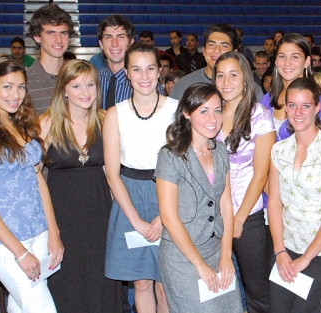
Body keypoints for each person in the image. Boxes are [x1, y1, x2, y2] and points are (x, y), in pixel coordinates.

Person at [0, 56, 64, 312]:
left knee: (21, 305)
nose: (16, 94)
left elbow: (38, 181)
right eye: (7, 86)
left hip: (39, 234)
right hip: (5, 243)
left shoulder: (21, 125)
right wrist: (19, 252)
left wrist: (54, 232)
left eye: (21, 86)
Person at [39, 59, 122, 313]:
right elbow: (35, 177)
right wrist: (51, 230)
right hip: (62, 217)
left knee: (103, 280)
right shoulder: (46, 123)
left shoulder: (106, 119)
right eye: (76, 86)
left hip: (100, 214)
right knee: (68, 284)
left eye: (90, 85)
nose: (85, 92)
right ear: (63, 89)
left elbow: (113, 174)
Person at [103, 44, 178, 313]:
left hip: (168, 195)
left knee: (165, 286)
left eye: (150, 68)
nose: (144, 76)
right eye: (136, 69)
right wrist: (135, 220)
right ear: (126, 74)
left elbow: (185, 167)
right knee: (142, 283)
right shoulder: (115, 114)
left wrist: (164, 217)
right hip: (129, 198)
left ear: (159, 72)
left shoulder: (177, 111)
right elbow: (112, 174)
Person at [156, 83, 242, 312]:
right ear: (187, 113)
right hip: (183, 258)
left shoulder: (220, 151)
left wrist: (226, 255)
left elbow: (225, 205)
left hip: (217, 251)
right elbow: (169, 218)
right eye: (203, 111)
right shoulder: (170, 155)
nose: (212, 118)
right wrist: (200, 265)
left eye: (217, 110)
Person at [268, 77, 321, 312]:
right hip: (287, 247)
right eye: (292, 105)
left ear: (317, 107)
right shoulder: (279, 149)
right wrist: (280, 251)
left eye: (305, 105)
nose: (298, 112)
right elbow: (274, 203)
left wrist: (305, 259)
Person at [213, 51, 276, 312]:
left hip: (247, 215)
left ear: (246, 78)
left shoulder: (259, 116)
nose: (226, 82)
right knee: (217, 286)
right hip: (211, 213)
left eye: (233, 75)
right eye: (220, 75)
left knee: (257, 290)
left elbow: (261, 175)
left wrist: (238, 219)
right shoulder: (209, 112)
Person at [261, 33, 321, 140]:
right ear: (276, 62)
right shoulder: (267, 100)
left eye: (295, 57)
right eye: (282, 56)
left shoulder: (319, 101)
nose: (287, 63)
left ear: (306, 61)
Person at [170, 24, 263, 101]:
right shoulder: (183, 86)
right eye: (211, 45)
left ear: (234, 53)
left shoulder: (251, 89)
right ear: (204, 50)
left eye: (224, 46)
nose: (217, 50)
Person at [26, 4, 74, 114]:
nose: (58, 40)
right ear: (37, 37)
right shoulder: (24, 82)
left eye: (63, 33)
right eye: (51, 33)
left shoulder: (79, 76)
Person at [97, 15, 135, 110]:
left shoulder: (144, 83)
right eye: (108, 37)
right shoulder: (92, 81)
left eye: (120, 37)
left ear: (131, 42)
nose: (114, 44)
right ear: (101, 44)